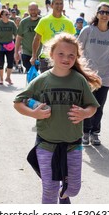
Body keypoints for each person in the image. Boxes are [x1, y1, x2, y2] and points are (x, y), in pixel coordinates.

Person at [13, 33, 101, 204]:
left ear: (76, 57)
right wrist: (34, 113)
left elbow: (93, 107)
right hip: (46, 145)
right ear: (51, 54)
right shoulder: (41, 81)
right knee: (49, 189)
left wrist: (85, 113)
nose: (66, 58)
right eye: (61, 53)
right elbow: (18, 102)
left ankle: (64, 195)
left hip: (73, 145)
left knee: (73, 189)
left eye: (71, 55)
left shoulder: (79, 80)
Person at [77, 2, 109, 145]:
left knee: (99, 105)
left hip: (105, 76)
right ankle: (85, 133)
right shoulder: (87, 30)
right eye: (101, 12)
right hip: (87, 75)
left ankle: (95, 133)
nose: (104, 15)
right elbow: (78, 51)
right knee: (87, 105)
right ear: (97, 14)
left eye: (107, 13)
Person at [30, 0, 76, 73]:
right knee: (47, 83)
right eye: (56, 4)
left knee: (60, 83)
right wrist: (34, 55)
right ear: (51, 5)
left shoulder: (68, 22)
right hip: (46, 58)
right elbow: (37, 39)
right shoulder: (44, 20)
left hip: (62, 59)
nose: (59, 6)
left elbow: (73, 42)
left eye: (61, 4)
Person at [0, 9, 18, 85]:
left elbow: (16, 35)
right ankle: (1, 79)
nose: (8, 16)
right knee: (1, 63)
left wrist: (18, 46)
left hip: (10, 46)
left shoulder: (12, 24)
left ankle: (8, 77)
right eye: (6, 14)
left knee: (10, 63)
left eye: (8, 14)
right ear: (1, 15)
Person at [14, 2, 41, 73]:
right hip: (27, 52)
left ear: (38, 10)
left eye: (35, 9)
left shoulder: (42, 21)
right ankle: (31, 83)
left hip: (40, 53)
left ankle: (33, 83)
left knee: (37, 73)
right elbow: (19, 37)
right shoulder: (24, 22)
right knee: (30, 72)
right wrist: (16, 52)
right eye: (31, 9)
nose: (33, 11)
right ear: (28, 10)